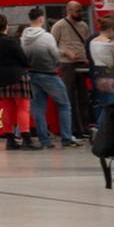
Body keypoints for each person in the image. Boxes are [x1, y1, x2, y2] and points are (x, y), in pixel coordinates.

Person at [21, 8, 80, 148]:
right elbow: (55, 55)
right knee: (64, 105)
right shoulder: (47, 36)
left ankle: (44, 141)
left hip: (32, 74)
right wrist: (62, 55)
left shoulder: (23, 37)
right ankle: (66, 138)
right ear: (41, 19)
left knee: (38, 108)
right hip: (49, 74)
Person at [0, 13, 36, 150]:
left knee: (6, 109)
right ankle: (26, 139)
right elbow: (23, 58)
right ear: (6, 26)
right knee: (22, 108)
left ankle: (10, 140)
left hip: (0, 78)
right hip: (16, 76)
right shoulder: (10, 41)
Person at [52, 1, 93, 141]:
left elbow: (86, 43)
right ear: (68, 10)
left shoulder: (84, 25)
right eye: (76, 10)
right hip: (67, 65)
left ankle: (85, 127)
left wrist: (87, 56)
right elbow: (52, 47)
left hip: (81, 64)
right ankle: (74, 129)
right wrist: (65, 52)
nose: (79, 13)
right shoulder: (59, 26)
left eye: (81, 10)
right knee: (69, 98)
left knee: (83, 98)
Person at [91, 16, 114, 137]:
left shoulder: (93, 42)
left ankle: (98, 129)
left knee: (101, 103)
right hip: (112, 75)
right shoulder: (112, 44)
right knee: (112, 104)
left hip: (98, 74)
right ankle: (104, 130)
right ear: (112, 30)